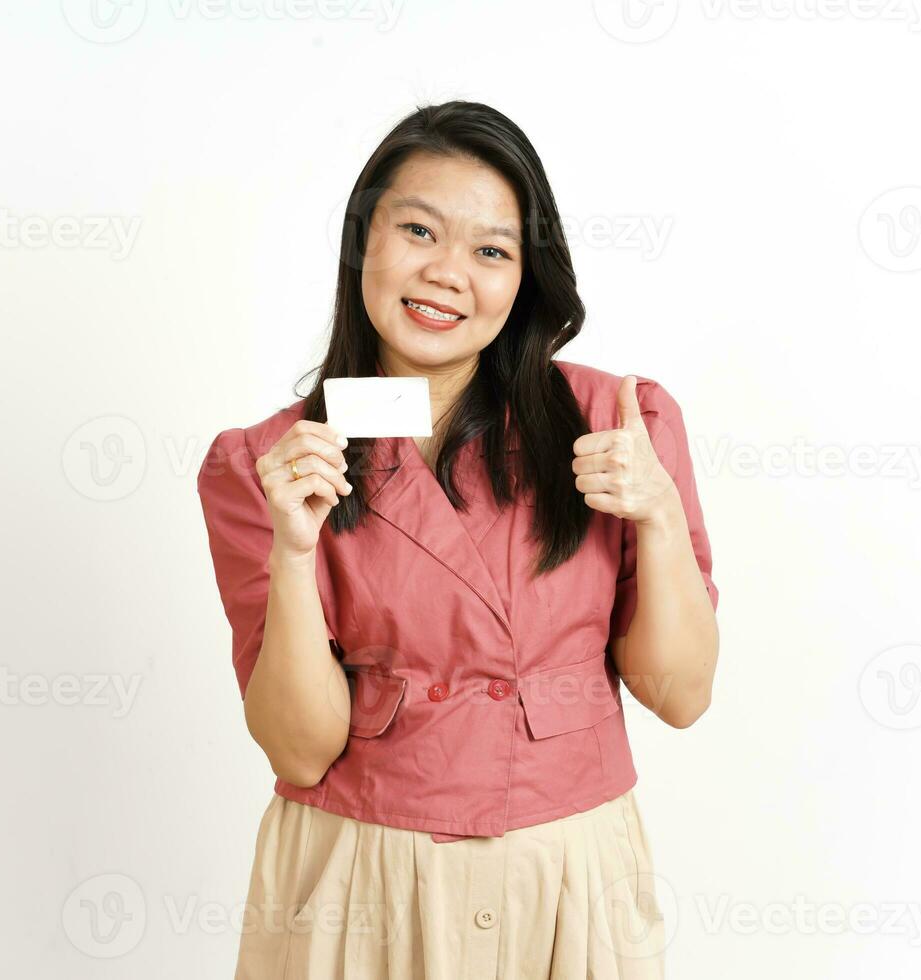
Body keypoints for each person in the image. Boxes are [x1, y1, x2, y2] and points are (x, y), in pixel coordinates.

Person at [197, 100, 720, 979]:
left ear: (525, 278)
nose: (447, 273)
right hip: (357, 884)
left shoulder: (617, 423)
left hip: (571, 880)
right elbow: (298, 747)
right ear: (364, 240)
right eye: (418, 230)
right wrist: (294, 552)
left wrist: (659, 517)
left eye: (490, 250)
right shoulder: (267, 465)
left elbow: (680, 694)